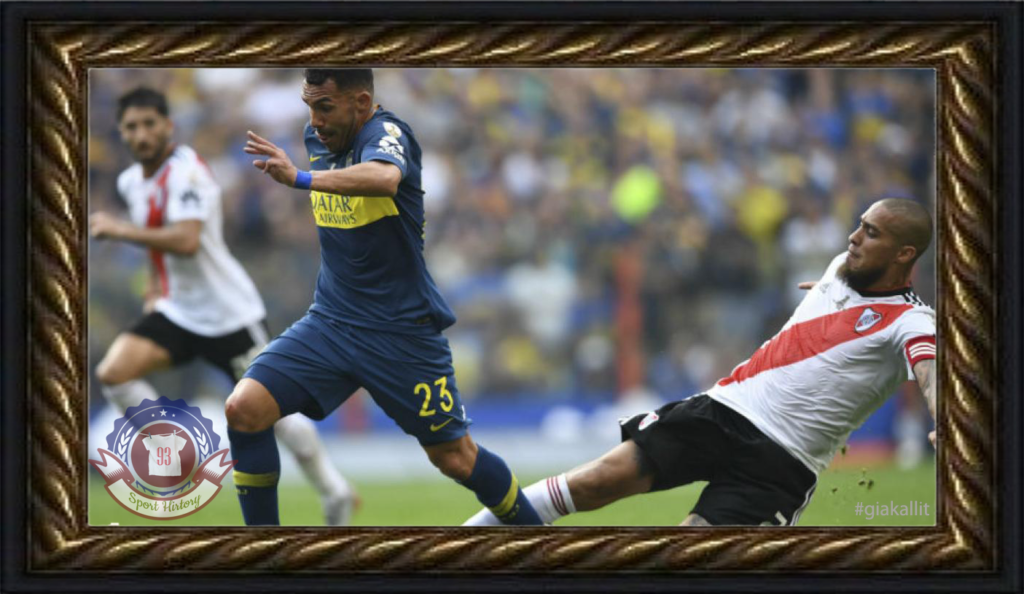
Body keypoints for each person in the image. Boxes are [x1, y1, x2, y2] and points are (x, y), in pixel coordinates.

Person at [465, 198, 937, 526]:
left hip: (781, 463)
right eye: (859, 225)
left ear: (904, 253)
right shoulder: (840, 267)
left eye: (871, 232)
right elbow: (840, 305)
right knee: (596, 480)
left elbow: (930, 373)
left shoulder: (913, 322)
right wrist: (825, 295)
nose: (854, 237)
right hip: (724, 408)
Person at [227, 68, 544, 525]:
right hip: (331, 322)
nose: (314, 120)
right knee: (245, 408)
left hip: (400, 334)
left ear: (360, 102)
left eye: (324, 107)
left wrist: (300, 178)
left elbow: (384, 178)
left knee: (456, 457)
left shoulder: (388, 133)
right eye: (309, 107)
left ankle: (534, 534)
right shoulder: (319, 138)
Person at [90, 87, 358, 525]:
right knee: (114, 373)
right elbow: (158, 246)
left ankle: (334, 490)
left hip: (229, 315)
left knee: (273, 415)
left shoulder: (188, 173)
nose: (141, 134)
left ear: (168, 126)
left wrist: (119, 230)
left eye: (149, 124)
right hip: (179, 312)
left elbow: (186, 239)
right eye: (131, 127)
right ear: (122, 132)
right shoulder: (131, 182)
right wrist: (155, 286)